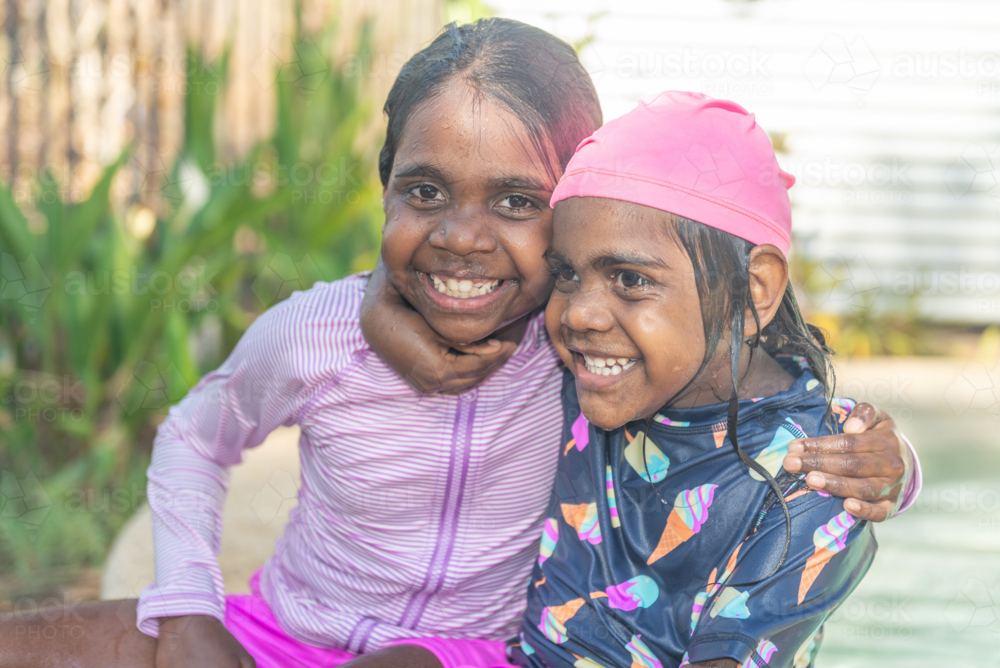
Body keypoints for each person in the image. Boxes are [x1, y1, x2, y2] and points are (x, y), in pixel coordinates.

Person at [0, 21, 917, 668]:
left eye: (519, 203)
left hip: (464, 654)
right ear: (385, 186)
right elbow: (198, 436)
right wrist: (192, 607)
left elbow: (735, 396)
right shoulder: (329, 332)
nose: (463, 239)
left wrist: (896, 462)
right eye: (425, 192)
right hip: (277, 627)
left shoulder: (575, 353)